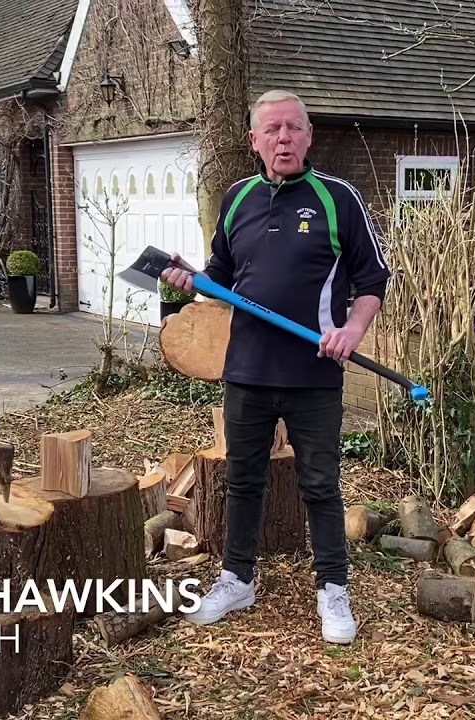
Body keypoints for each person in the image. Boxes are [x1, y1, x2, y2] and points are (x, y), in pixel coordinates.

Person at [159, 89, 391, 644]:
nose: (283, 138)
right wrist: (191, 280)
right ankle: (238, 578)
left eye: (293, 128)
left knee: (319, 484)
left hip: (314, 372)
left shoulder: (338, 198)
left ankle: (333, 589)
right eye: (273, 130)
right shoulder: (237, 198)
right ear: (255, 141)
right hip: (247, 370)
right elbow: (220, 277)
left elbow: (373, 280)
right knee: (243, 481)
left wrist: (351, 331)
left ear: (309, 136)